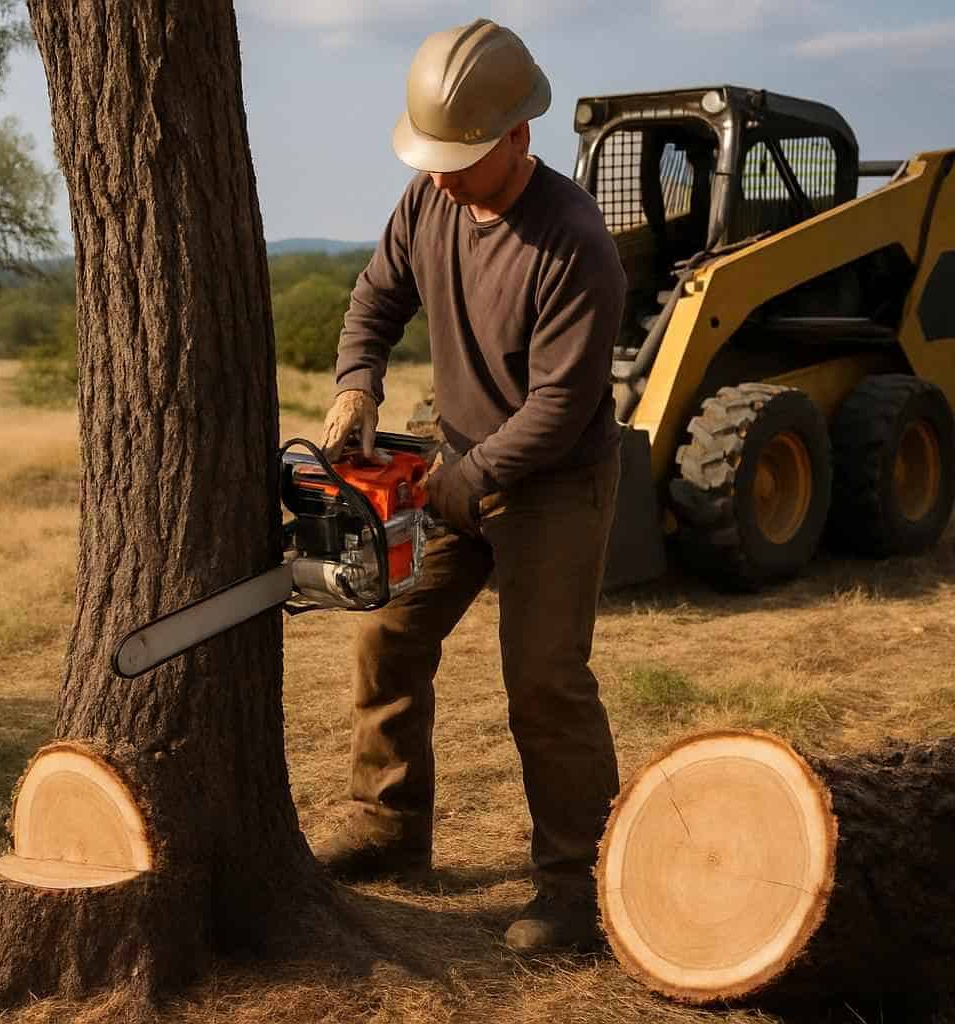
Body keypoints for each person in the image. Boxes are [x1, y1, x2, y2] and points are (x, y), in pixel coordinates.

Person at [314, 17, 627, 956]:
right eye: (434, 156)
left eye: (462, 157)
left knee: (543, 679)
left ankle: (577, 886)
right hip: (455, 462)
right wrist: (356, 378)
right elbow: (376, 297)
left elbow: (564, 405)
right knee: (386, 633)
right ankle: (389, 825)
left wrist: (471, 479)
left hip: (554, 483)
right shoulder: (428, 203)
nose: (442, 173)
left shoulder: (574, 244)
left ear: (519, 137)